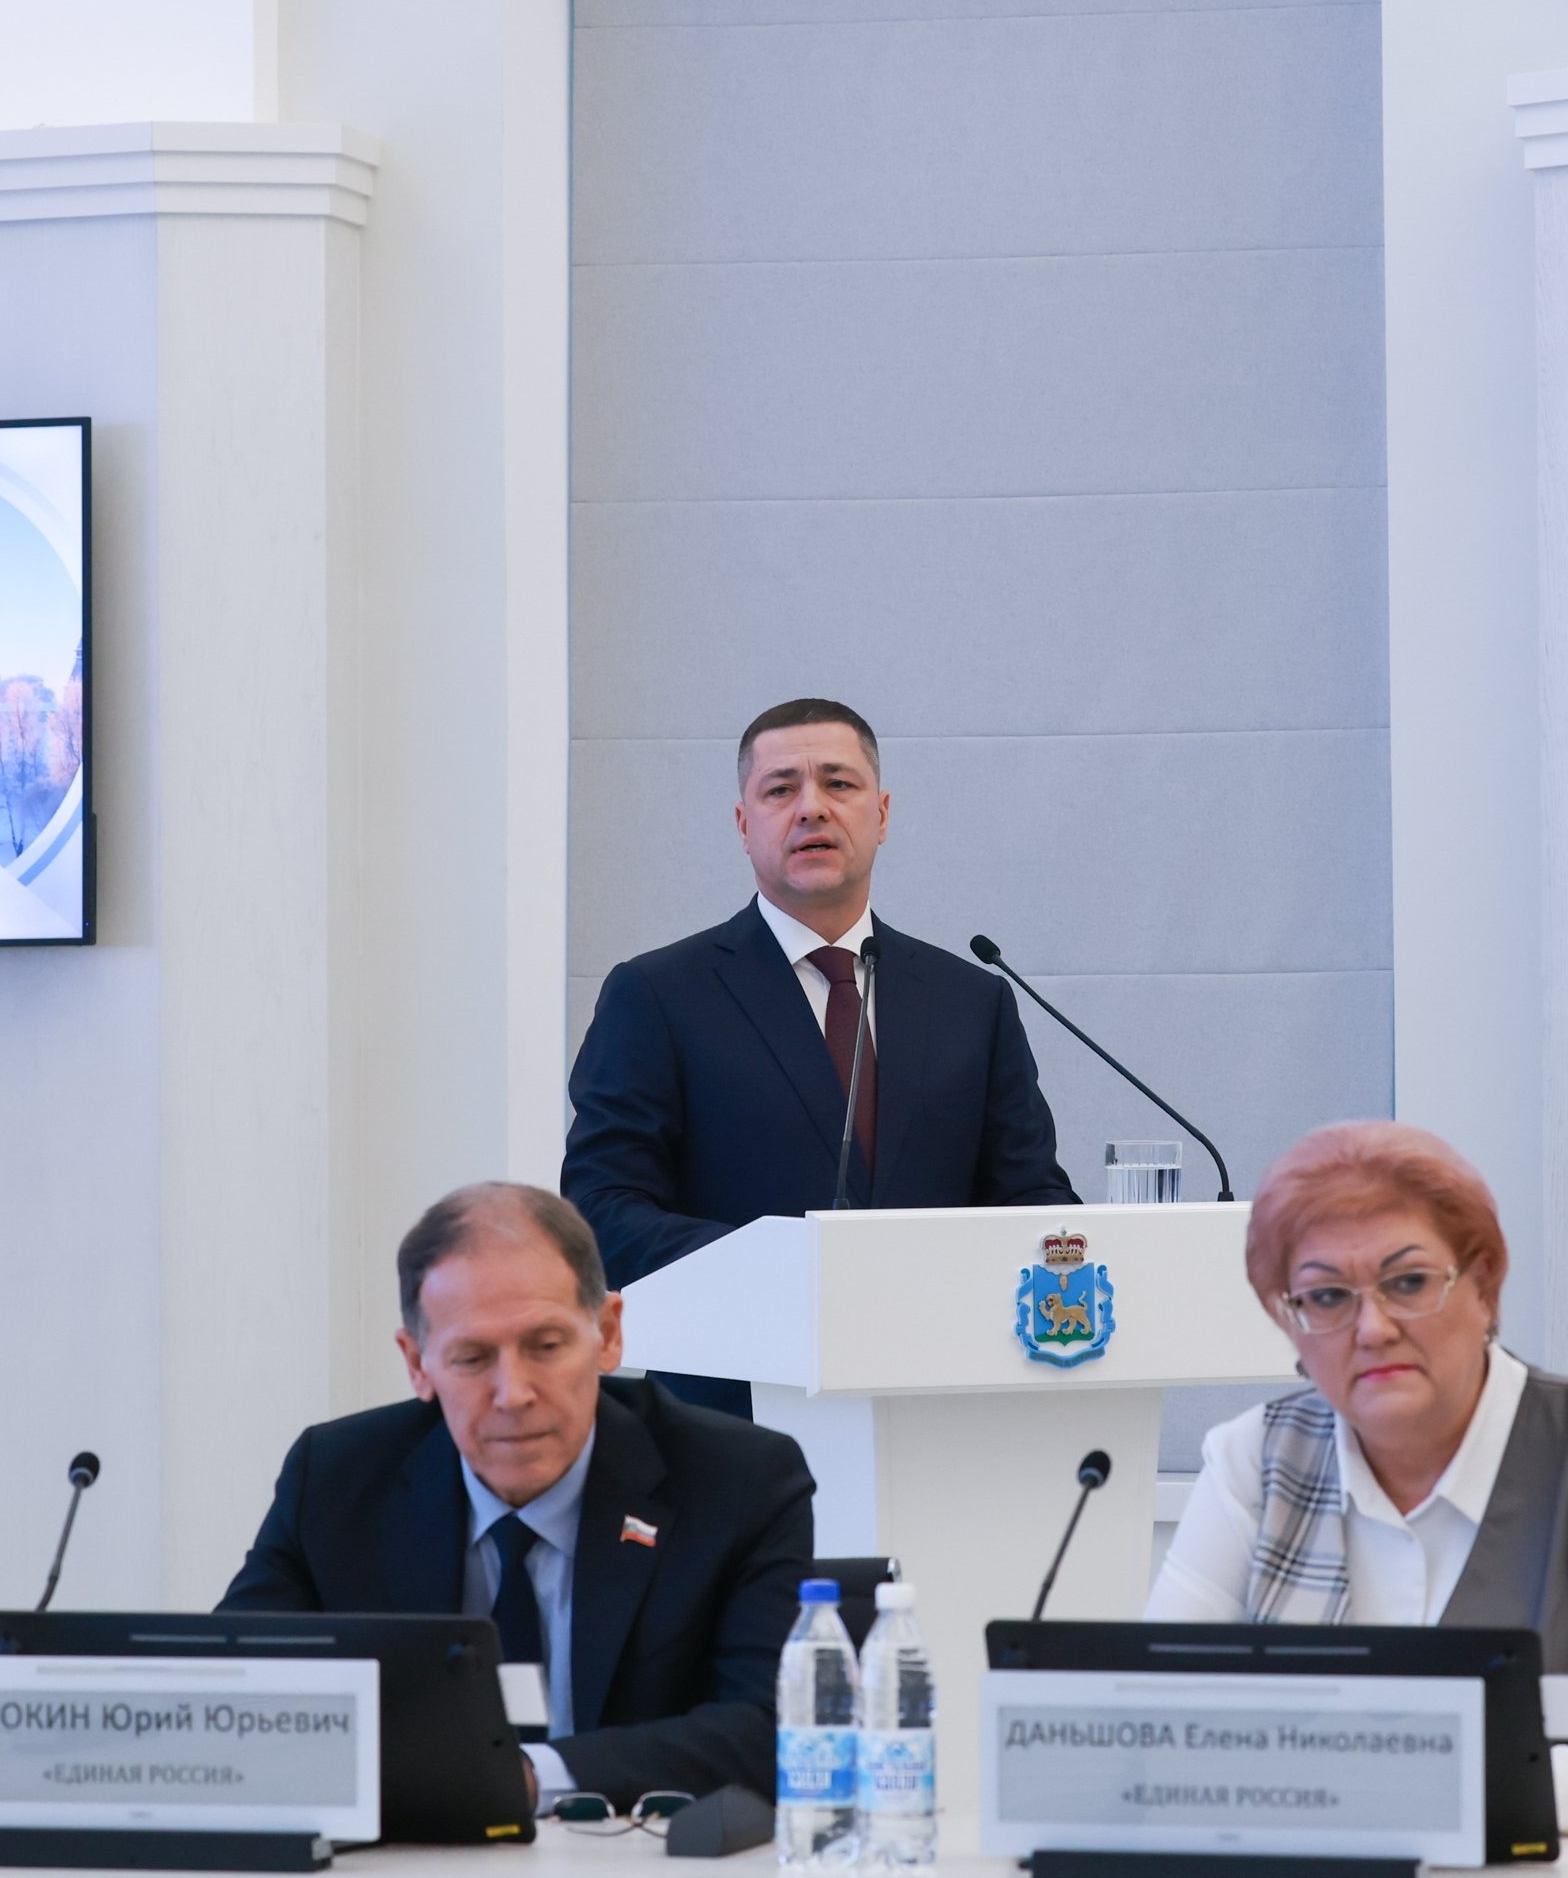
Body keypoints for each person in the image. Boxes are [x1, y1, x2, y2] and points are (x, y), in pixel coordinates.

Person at [1147, 1121, 1568, 1835]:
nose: (1372, 1328)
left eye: (1408, 1283)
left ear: (1483, 1287)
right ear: (1288, 1321)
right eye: (1327, 1296)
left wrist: (1450, 1792)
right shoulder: (1251, 1459)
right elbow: (1155, 1723)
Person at [220, 1182, 814, 1808]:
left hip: (637, 1855)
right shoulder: (338, 1481)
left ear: (608, 1334)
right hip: (411, 1858)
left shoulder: (738, 1480)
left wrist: (521, 1779)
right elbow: (225, 1697)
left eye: (546, 1347)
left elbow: (772, 1729)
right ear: (417, 1363)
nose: (514, 1393)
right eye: (473, 1358)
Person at [560, 696, 1078, 1413]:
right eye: (780, 790)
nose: (811, 807)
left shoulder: (970, 999)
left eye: (838, 783)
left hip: (938, 1407)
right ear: (744, 825)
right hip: (732, 1411)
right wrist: (777, 1269)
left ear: (882, 814)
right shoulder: (658, 995)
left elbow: (1032, 1201)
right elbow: (600, 1210)